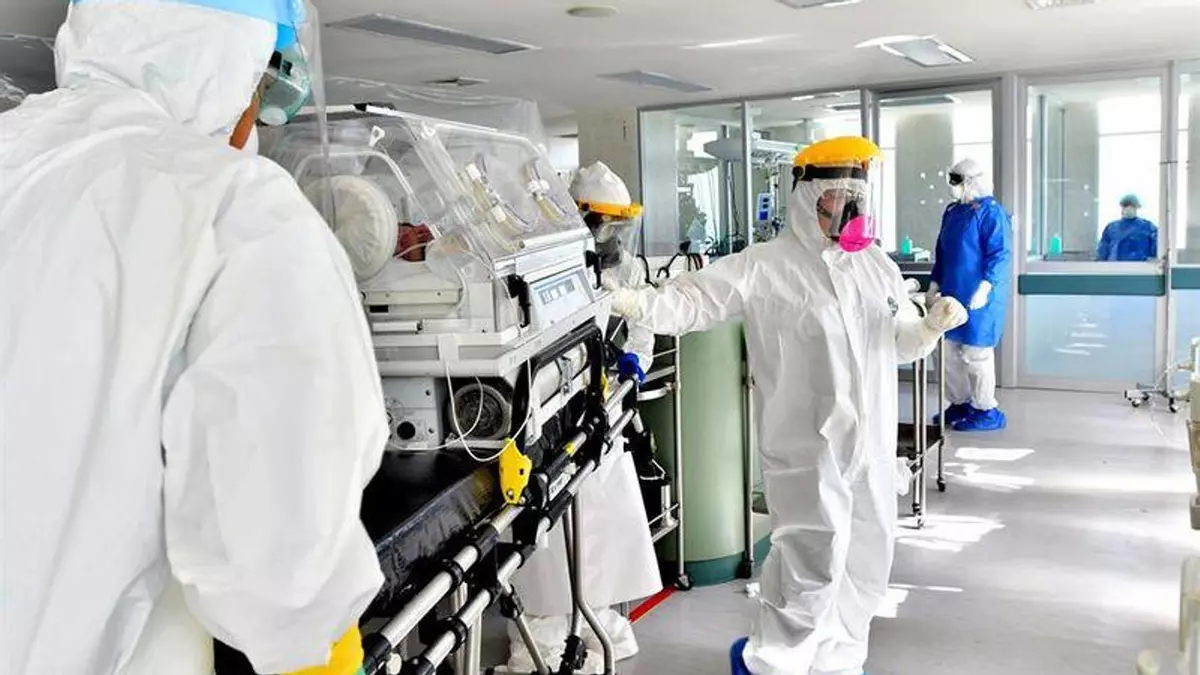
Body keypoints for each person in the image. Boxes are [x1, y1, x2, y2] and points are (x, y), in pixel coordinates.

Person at [0, 2, 387, 674]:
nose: (256, 121)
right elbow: (278, 565)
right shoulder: (238, 210)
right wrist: (320, 637)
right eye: (263, 89)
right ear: (232, 66)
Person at [607, 137, 968, 675]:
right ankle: (773, 661)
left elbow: (898, 341)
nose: (849, 210)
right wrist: (633, 301)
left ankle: (839, 661)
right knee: (811, 565)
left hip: (870, 451)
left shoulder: (875, 266)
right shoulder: (765, 266)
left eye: (857, 198)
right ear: (807, 196)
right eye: (837, 197)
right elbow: (691, 301)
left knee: (868, 563)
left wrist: (930, 328)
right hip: (807, 450)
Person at [507, 161, 662, 674]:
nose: (610, 236)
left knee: (608, 519)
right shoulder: (542, 264)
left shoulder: (625, 268)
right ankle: (544, 626)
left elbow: (642, 325)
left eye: (618, 225)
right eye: (602, 224)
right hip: (552, 414)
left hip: (601, 407)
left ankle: (596, 614)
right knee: (553, 531)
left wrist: (634, 361)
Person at [928, 157, 1013, 433]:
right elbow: (942, 251)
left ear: (972, 181)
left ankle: (985, 409)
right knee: (947, 352)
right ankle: (959, 403)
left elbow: (1000, 254)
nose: (951, 185)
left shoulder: (992, 213)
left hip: (980, 297)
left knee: (976, 354)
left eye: (956, 180)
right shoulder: (953, 211)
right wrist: (934, 283)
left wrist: (986, 286)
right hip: (951, 293)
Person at [1098, 194, 1158, 262]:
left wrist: (1153, 260)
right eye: (1125, 206)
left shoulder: (1148, 227)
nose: (1128, 208)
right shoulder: (1111, 227)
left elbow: (1156, 249)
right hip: (1114, 266)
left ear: (1137, 207)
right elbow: (1103, 251)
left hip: (1141, 266)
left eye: (1132, 206)